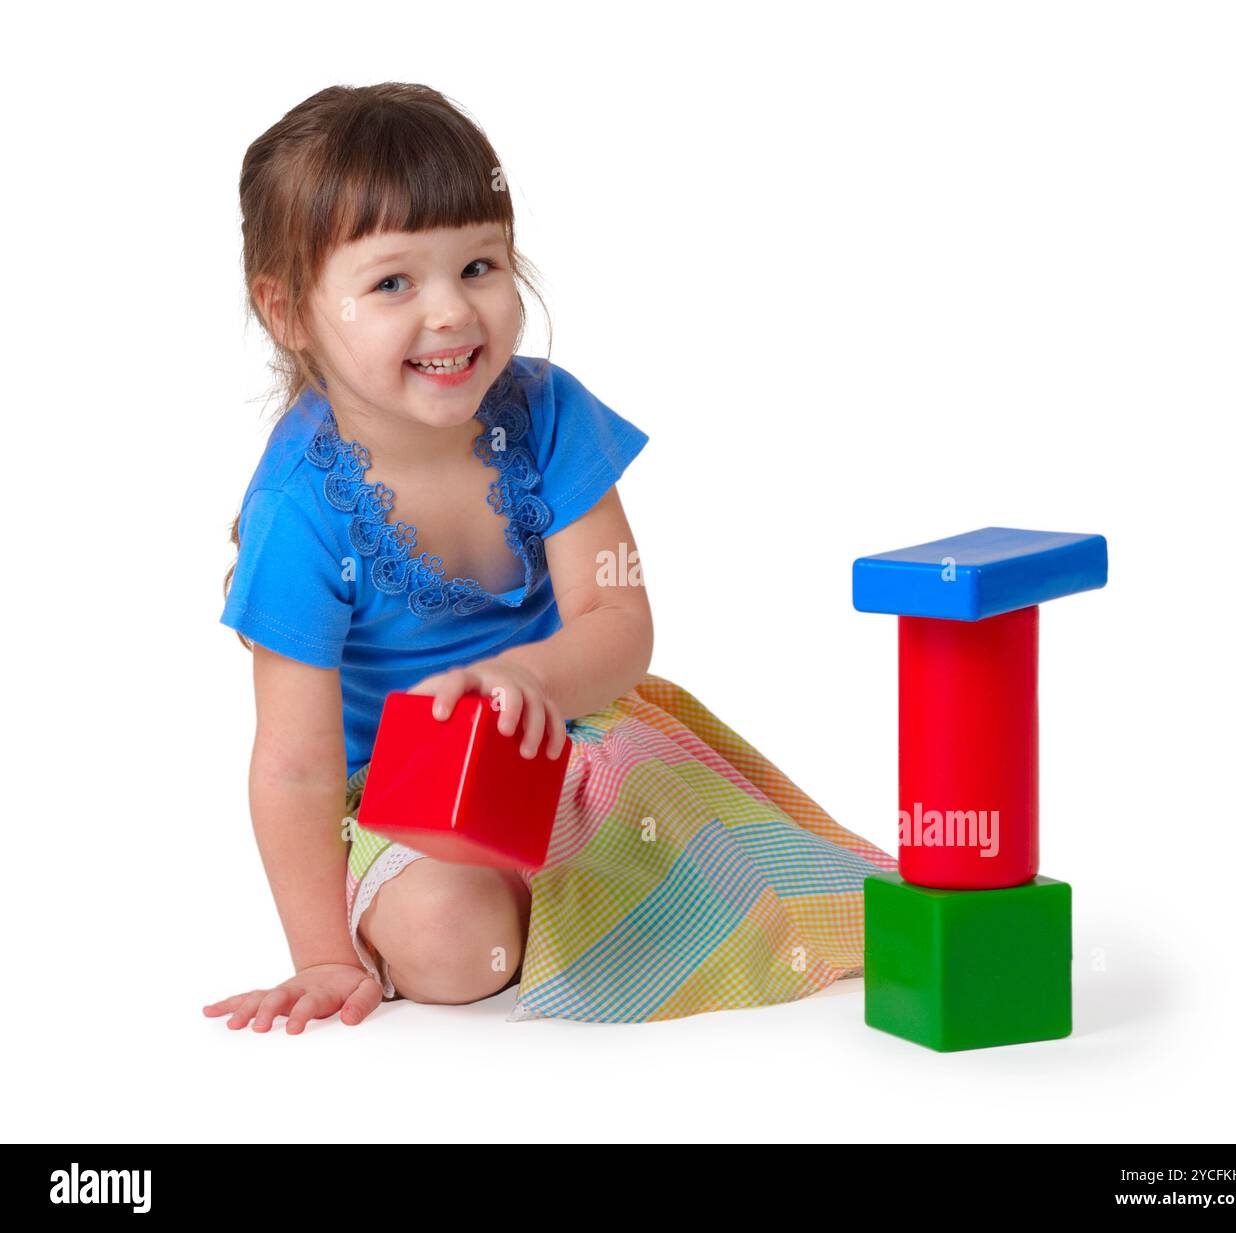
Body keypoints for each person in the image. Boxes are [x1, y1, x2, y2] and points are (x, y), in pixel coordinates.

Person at [204, 82, 894, 1034]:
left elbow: (620, 624)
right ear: (288, 312)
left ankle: (599, 895)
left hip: (572, 733)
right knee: (454, 946)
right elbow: (292, 766)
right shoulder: (301, 506)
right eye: (394, 282)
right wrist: (323, 956)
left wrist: (528, 676)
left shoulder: (548, 414)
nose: (451, 312)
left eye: (479, 265)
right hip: (404, 800)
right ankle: (528, 911)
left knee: (741, 866)